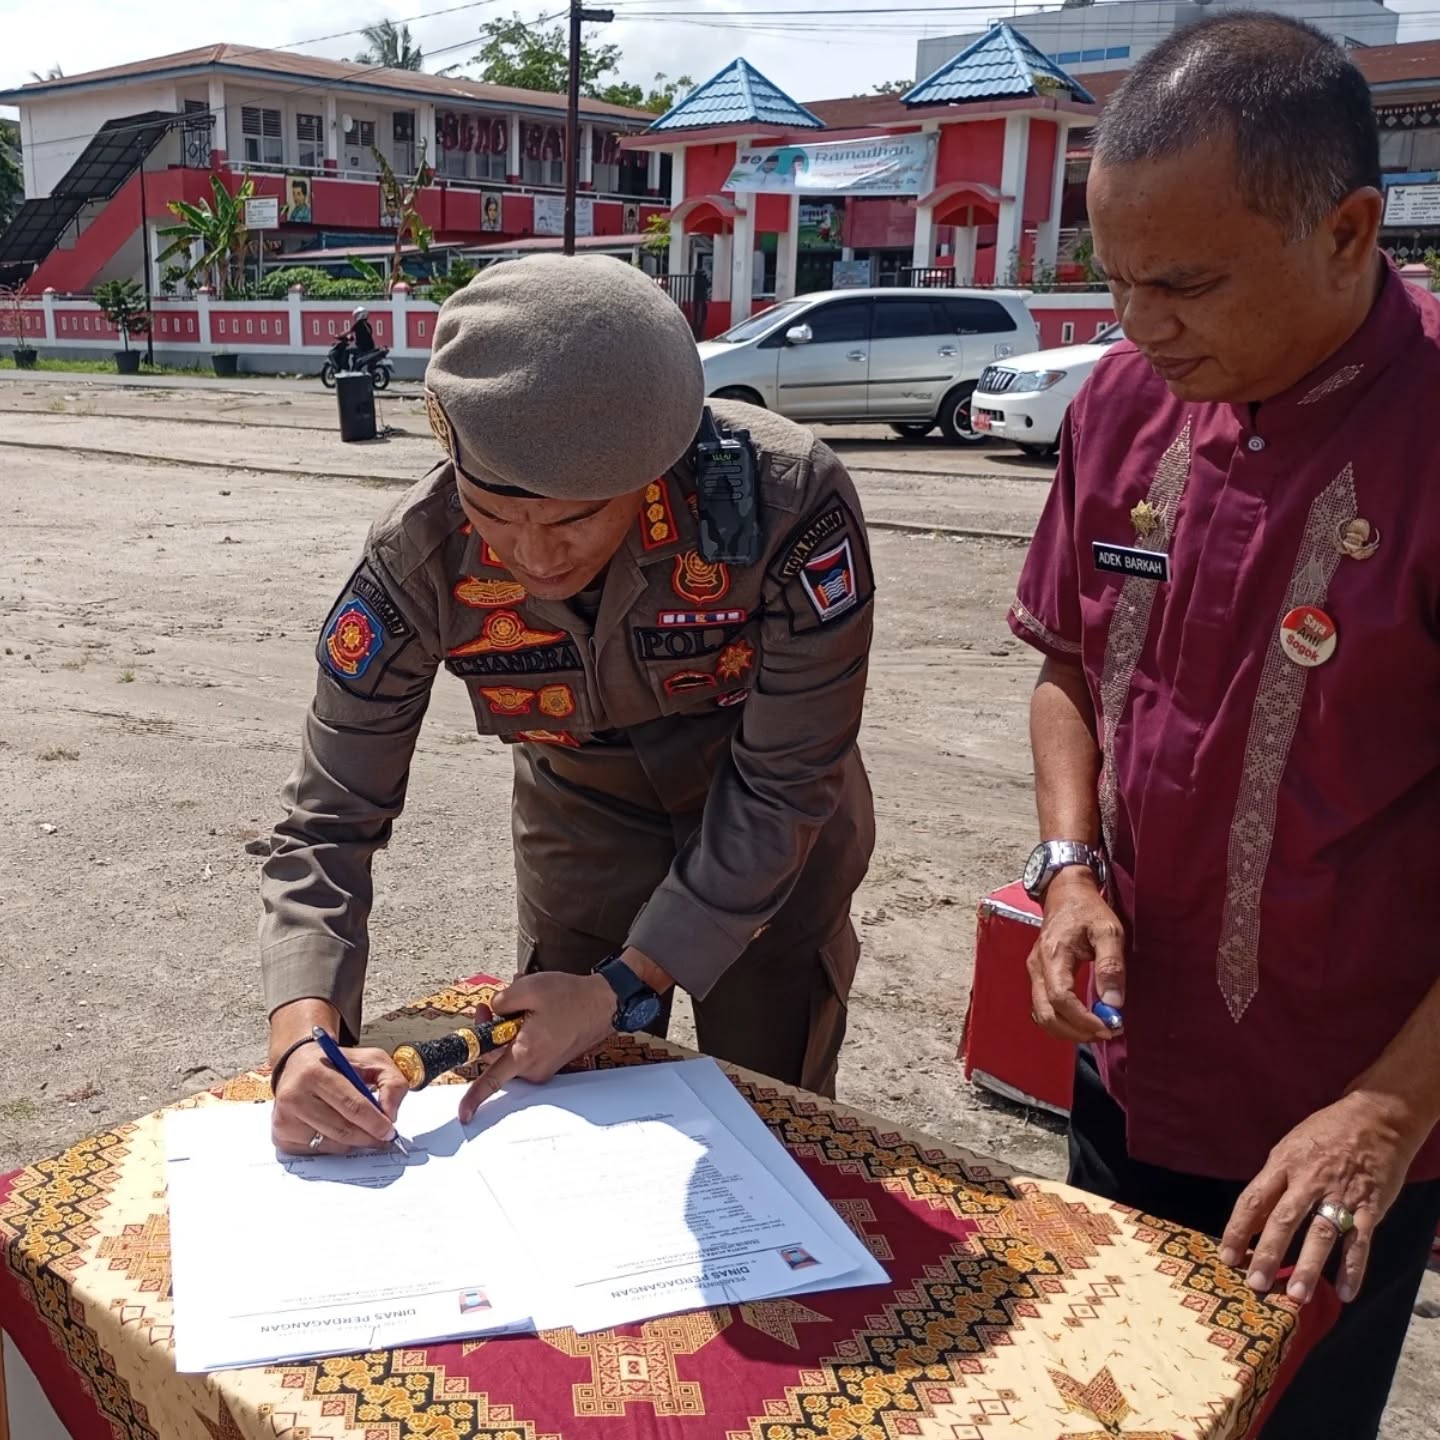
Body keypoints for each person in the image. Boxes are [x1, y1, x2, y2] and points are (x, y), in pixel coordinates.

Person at [1010, 15, 1440, 1437]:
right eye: (1117, 281)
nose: (1140, 327)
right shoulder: (1130, 402)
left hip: (1341, 1120)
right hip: (1128, 1062)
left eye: (1184, 286)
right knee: (1100, 1405)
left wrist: (1388, 1111)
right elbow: (1067, 663)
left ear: (1349, 229)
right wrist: (1069, 865)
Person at [261, 254, 876, 1158]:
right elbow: (328, 818)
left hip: (770, 838)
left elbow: (787, 779)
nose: (533, 558)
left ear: (655, 471)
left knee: (769, 1120)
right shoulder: (420, 557)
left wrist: (628, 981)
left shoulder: (788, 506)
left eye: (573, 521)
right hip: (579, 826)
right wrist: (302, 1028)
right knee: (575, 1115)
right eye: (497, 518)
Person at [342, 305, 375, 371]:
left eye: (356, 315)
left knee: (346, 350)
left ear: (360, 315)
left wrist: (340, 335)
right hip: (370, 346)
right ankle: (355, 368)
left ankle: (345, 368)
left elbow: (349, 331)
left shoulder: (358, 324)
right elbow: (366, 335)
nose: (355, 317)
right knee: (354, 355)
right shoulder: (368, 325)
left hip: (361, 347)